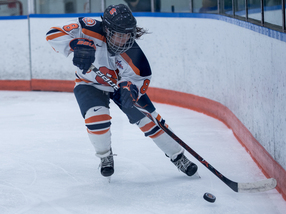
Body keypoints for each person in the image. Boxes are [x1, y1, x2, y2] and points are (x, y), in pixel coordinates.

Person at [46, 4, 198, 179]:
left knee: (149, 120)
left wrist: (131, 90)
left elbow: (141, 78)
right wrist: (75, 44)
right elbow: (52, 34)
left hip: (120, 86)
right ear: (107, 29)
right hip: (88, 83)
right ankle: (105, 156)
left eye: (128, 34)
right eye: (119, 34)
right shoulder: (87, 27)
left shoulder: (134, 54)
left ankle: (178, 156)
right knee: (96, 119)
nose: (124, 39)